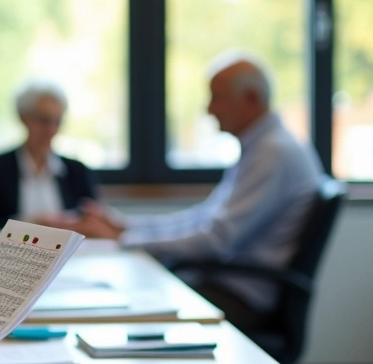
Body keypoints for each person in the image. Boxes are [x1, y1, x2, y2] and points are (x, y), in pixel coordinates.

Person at [70, 52, 323, 333]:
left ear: (250, 99)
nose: (209, 109)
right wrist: (125, 226)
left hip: (241, 296)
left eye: (217, 97)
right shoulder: (262, 147)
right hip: (225, 283)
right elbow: (202, 218)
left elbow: (215, 239)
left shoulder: (273, 154)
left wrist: (126, 239)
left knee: (131, 303)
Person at [0, 80, 99, 229]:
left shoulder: (77, 171)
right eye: (44, 120)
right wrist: (33, 223)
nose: (51, 129)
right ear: (24, 118)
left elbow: (92, 221)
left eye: (57, 121)